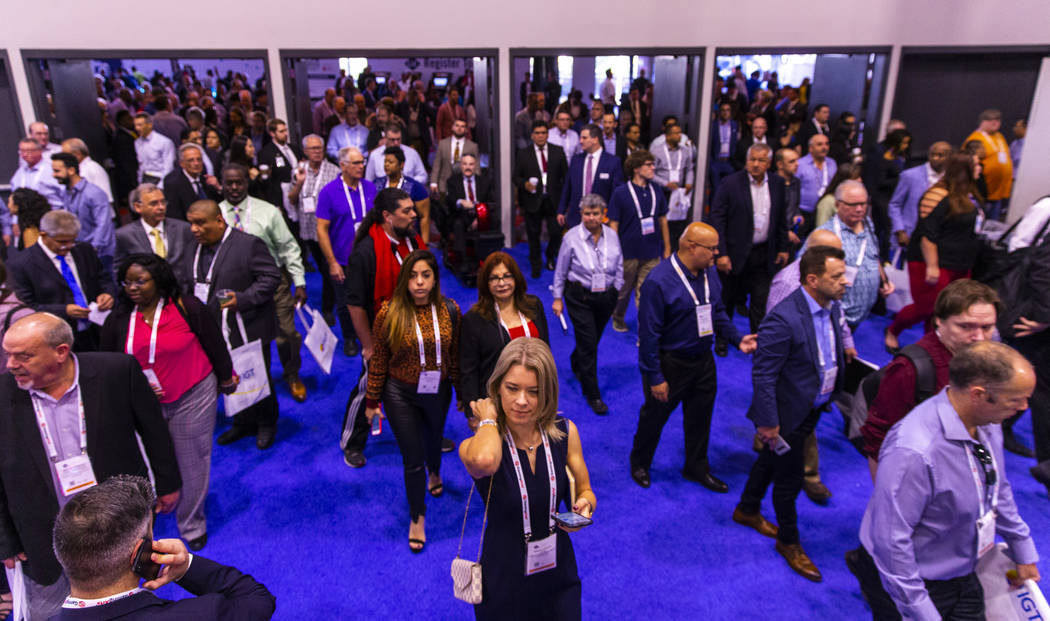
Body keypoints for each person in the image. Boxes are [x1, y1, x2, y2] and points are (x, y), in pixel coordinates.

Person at [0, 312, 181, 621]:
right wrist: (5, 538)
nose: (10, 364)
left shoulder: (117, 371)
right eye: (8, 355)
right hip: (42, 535)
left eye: (23, 356)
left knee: (132, 605)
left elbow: (154, 430)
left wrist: (167, 483)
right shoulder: (3, 393)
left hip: (119, 524)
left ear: (60, 352)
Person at [851, 341, 1040, 620]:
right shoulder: (915, 451)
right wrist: (921, 612)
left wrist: (1022, 547)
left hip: (965, 568)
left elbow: (996, 485)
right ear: (978, 394)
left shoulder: (988, 421)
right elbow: (891, 543)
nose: (1024, 408)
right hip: (915, 583)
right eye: (1016, 400)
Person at [99, 253, 236, 551]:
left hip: (193, 392)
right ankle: (150, 515)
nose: (132, 287)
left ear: (158, 281)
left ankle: (192, 522)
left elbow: (214, 342)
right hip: (143, 404)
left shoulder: (187, 307)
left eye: (140, 281)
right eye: (127, 282)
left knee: (192, 459)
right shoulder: (118, 319)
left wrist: (226, 377)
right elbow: (108, 363)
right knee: (148, 461)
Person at [735, 246, 849, 583]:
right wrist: (768, 423)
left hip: (811, 407)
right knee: (789, 481)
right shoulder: (783, 318)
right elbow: (764, 375)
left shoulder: (830, 306)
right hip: (785, 417)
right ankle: (789, 541)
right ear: (813, 280)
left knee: (770, 461)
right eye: (837, 276)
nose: (846, 282)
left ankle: (747, 508)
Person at [459, 338, 595, 619]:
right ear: (497, 387)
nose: (521, 401)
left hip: (558, 569)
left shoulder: (565, 432)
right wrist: (487, 419)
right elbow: (485, 462)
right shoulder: (482, 444)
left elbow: (586, 490)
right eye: (512, 388)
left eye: (533, 391)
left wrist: (584, 504)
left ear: (547, 393)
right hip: (504, 576)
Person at [630, 222, 758, 490]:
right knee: (654, 416)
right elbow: (649, 335)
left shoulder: (710, 273)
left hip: (703, 359)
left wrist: (737, 338)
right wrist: (655, 377)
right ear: (692, 246)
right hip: (670, 363)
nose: (716, 253)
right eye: (712, 248)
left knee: (701, 418)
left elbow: (717, 311)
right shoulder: (658, 282)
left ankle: (696, 467)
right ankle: (640, 463)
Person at [50, 475, 276, 620]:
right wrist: (187, 566)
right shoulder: (201, 615)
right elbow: (256, 599)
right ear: (140, 554)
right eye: (151, 536)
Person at [364, 250, 459, 552]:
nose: (419, 282)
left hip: (438, 390)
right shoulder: (388, 312)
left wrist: (465, 396)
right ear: (404, 279)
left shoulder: (450, 310)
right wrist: (371, 400)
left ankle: (436, 470)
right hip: (399, 392)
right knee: (412, 457)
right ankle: (417, 515)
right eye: (413, 276)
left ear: (434, 279)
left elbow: (455, 356)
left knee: (433, 441)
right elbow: (379, 358)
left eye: (426, 275)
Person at [863, 279, 1000, 471]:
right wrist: (888, 495)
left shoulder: (984, 359)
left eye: (986, 327)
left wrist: (987, 469)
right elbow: (878, 439)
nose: (978, 337)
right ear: (939, 321)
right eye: (965, 327)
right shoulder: (910, 369)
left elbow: (979, 433)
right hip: (920, 473)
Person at [185, 200, 281, 450]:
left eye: (200, 223)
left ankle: (266, 423)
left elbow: (271, 277)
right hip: (213, 328)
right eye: (191, 223)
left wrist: (244, 299)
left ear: (219, 220)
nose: (194, 229)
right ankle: (242, 421)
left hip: (248, 325)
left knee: (257, 375)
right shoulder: (192, 248)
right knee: (228, 376)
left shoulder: (248, 244)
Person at [340, 188, 424, 468]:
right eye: (407, 211)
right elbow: (355, 304)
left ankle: (425, 435)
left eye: (413, 209)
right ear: (388, 216)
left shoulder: (413, 240)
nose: (415, 215)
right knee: (369, 389)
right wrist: (368, 346)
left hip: (416, 330)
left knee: (420, 386)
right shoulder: (366, 252)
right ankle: (352, 442)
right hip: (382, 335)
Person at [219, 164, 308, 403]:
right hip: (234, 287)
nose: (235, 187)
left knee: (287, 334)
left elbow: (288, 247)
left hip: (273, 282)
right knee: (238, 336)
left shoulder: (267, 211)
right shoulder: (215, 215)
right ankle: (250, 382)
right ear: (222, 185)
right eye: (229, 183)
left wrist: (299, 282)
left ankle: (292, 374)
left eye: (239, 182)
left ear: (247, 183)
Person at [886, 153, 983, 352]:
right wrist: (932, 265)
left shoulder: (970, 193)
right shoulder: (937, 194)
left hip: (961, 262)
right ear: (963, 170)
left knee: (949, 309)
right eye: (976, 164)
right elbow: (927, 233)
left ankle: (931, 346)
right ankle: (893, 330)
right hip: (932, 262)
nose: (980, 167)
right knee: (928, 307)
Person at [707, 143, 790, 354]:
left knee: (760, 303)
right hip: (734, 254)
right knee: (728, 299)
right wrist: (721, 253)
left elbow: (781, 219)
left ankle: (758, 342)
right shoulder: (730, 183)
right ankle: (723, 339)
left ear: (769, 163)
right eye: (752, 159)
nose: (755, 164)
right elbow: (717, 219)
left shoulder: (778, 184)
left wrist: (783, 247)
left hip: (764, 254)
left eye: (761, 160)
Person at [551, 194, 624, 414]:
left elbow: (619, 262)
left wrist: (617, 288)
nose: (591, 218)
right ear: (581, 214)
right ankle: (592, 393)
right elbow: (561, 269)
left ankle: (577, 359)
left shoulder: (612, 235)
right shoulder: (571, 238)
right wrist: (557, 298)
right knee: (589, 342)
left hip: (606, 296)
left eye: (595, 214)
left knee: (591, 340)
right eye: (586, 213)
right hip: (579, 297)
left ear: (604, 215)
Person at [7, 210, 117, 352]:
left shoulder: (84, 250)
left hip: (98, 331)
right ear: (43, 234)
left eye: (73, 240)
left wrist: (108, 294)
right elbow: (26, 306)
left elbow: (103, 278)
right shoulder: (22, 263)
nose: (68, 246)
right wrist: (64, 310)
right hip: (57, 339)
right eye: (62, 242)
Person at [459, 252, 550, 407]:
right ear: (486, 283)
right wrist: (472, 409)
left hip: (535, 393)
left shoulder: (534, 305)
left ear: (516, 278)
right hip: (496, 399)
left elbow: (546, 350)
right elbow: (468, 370)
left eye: (507, 276)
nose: (501, 283)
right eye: (494, 278)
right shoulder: (473, 320)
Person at [317, 147, 376, 354]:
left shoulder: (370, 188)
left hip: (370, 257)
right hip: (342, 259)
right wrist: (332, 262)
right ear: (342, 166)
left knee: (371, 298)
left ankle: (371, 336)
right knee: (345, 302)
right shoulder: (328, 192)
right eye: (356, 163)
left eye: (362, 162)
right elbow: (321, 229)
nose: (362, 166)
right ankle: (350, 338)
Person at [816, 180, 893, 330]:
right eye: (853, 205)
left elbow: (873, 255)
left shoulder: (868, 224)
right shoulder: (825, 235)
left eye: (864, 204)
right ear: (837, 205)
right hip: (832, 316)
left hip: (860, 316)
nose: (859, 209)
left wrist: (883, 280)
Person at [608, 150, 670, 333]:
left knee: (646, 294)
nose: (653, 168)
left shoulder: (656, 190)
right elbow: (614, 224)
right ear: (636, 169)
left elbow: (663, 220)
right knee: (623, 291)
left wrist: (667, 247)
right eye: (649, 165)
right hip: (627, 252)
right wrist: (613, 251)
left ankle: (645, 332)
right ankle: (618, 316)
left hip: (652, 252)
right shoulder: (621, 193)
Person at [288, 134, 341, 325]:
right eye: (313, 148)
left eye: (320, 148)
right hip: (308, 228)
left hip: (328, 230)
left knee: (328, 270)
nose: (317, 151)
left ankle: (328, 309)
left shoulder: (334, 171)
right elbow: (292, 199)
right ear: (305, 151)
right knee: (321, 267)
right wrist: (300, 182)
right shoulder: (298, 171)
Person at [116, 183, 197, 293]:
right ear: (138, 207)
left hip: (182, 294)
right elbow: (118, 271)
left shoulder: (183, 229)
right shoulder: (124, 235)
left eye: (163, 202)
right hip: (146, 299)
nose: (161, 207)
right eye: (154, 203)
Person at [514, 120, 568, 278]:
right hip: (532, 200)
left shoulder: (558, 151)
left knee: (556, 232)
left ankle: (551, 256)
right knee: (533, 234)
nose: (540, 136)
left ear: (548, 134)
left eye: (543, 132)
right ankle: (536, 264)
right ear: (532, 135)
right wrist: (524, 184)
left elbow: (566, 177)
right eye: (537, 133)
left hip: (553, 200)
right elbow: (515, 177)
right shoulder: (524, 153)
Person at [51, 153, 116, 274]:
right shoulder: (66, 193)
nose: (53, 175)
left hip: (99, 255)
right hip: (81, 252)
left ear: (71, 170)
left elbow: (103, 225)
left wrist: (92, 251)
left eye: (57, 171)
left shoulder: (93, 193)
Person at [557, 124, 624, 228]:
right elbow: (567, 187)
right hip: (576, 217)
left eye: (584, 138)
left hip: (601, 218)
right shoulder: (576, 160)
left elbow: (616, 192)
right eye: (580, 137)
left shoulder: (613, 162)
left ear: (595, 139)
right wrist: (561, 210)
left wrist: (611, 215)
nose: (580, 141)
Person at [888, 142, 952, 248]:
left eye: (940, 155)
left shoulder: (951, 180)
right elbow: (895, 204)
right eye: (932, 154)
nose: (935, 158)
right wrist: (900, 230)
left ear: (949, 157)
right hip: (910, 234)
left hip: (937, 237)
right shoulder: (910, 175)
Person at [443, 153, 496, 275]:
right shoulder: (452, 181)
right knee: (458, 224)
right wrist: (460, 201)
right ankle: (464, 261)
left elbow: (490, 202)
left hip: (480, 214)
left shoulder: (484, 181)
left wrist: (480, 219)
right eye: (465, 164)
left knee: (493, 221)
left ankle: (485, 260)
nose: (468, 167)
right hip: (461, 214)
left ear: (475, 165)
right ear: (460, 165)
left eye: (471, 164)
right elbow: (449, 201)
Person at [864, 128, 912, 260]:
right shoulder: (885, 158)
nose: (905, 146)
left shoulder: (901, 157)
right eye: (903, 143)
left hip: (893, 196)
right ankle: (882, 257)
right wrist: (900, 179)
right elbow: (879, 181)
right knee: (884, 229)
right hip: (882, 199)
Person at [376, 147, 432, 244]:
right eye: (385, 162)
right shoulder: (376, 185)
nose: (386, 165)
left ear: (401, 165)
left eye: (390, 162)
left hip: (408, 237)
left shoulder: (416, 187)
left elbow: (424, 217)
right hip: (382, 237)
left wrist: (424, 244)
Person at [964, 109, 1012, 221]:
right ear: (982, 121)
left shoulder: (999, 136)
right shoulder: (976, 138)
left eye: (997, 120)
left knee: (993, 224)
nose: (995, 123)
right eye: (990, 120)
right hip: (983, 191)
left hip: (999, 190)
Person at [653, 123, 696, 244]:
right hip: (663, 191)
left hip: (680, 192)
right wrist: (665, 183)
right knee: (662, 221)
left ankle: (675, 248)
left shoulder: (685, 151)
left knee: (678, 223)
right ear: (668, 136)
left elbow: (689, 169)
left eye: (680, 133)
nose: (680, 136)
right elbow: (651, 174)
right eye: (676, 133)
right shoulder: (657, 151)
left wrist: (689, 182)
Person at [163, 143, 223, 221]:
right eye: (191, 160)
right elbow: (174, 215)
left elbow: (219, 204)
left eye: (199, 159)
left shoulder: (206, 178)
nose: (196, 163)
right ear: (182, 163)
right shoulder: (172, 182)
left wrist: (218, 188)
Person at [797, 134, 837, 237]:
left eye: (826, 144)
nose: (824, 147)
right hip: (805, 212)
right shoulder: (800, 164)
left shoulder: (832, 163)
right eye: (819, 144)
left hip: (825, 212)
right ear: (810, 148)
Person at [430, 118, 478, 197]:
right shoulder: (443, 144)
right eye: (457, 125)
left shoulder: (472, 146)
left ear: (466, 130)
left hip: (464, 185)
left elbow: (476, 168)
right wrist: (433, 182)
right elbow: (437, 164)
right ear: (452, 127)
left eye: (462, 126)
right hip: (444, 184)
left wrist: (477, 186)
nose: (459, 128)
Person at [60, 138, 113, 204]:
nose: (63, 159)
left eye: (65, 155)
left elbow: (105, 200)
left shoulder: (91, 169)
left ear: (77, 154)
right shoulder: (82, 169)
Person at [813, 162, 862, 227]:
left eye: (859, 176)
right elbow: (821, 229)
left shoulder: (858, 200)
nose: (860, 180)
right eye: (855, 178)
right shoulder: (828, 202)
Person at [133, 113, 177, 185]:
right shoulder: (137, 143)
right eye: (135, 125)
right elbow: (141, 165)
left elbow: (168, 167)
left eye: (140, 125)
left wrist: (161, 185)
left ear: (149, 125)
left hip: (160, 179)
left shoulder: (164, 142)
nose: (136, 128)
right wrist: (140, 182)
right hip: (145, 180)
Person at [708, 103, 740, 197]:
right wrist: (711, 162)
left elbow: (735, 143)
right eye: (723, 110)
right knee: (716, 190)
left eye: (728, 110)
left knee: (729, 189)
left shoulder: (734, 125)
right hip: (716, 161)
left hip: (729, 162)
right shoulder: (713, 125)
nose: (725, 113)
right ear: (719, 112)